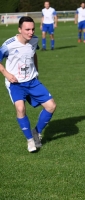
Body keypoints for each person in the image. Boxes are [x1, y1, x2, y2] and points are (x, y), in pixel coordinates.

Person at [0, 16, 57, 152]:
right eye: (27, 30)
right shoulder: (9, 45)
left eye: (32, 29)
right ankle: (30, 141)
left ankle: (36, 132)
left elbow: (33, 53)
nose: (30, 32)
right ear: (19, 29)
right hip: (16, 84)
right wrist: (7, 74)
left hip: (32, 81)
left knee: (51, 106)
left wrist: (36, 70)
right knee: (20, 109)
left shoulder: (34, 40)